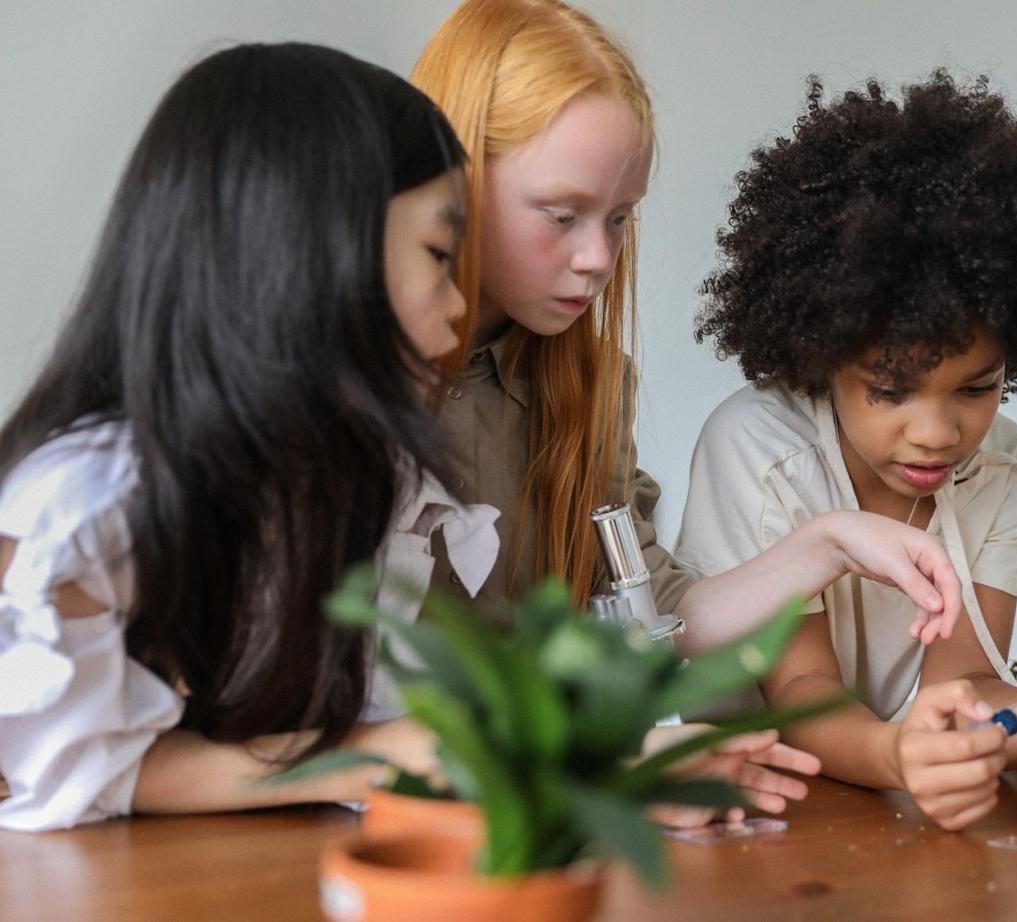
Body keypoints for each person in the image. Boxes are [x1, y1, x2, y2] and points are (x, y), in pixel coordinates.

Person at [0, 42, 804, 833]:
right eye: (437, 256)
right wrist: (380, 756)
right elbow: (76, 769)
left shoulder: (372, 481)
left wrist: (596, 773)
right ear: (310, 258)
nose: (459, 305)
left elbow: (411, 734)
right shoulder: (84, 508)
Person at [412, 0, 966, 659]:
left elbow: (651, 618)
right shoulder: (336, 376)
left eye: (620, 218)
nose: (598, 257)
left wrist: (831, 543)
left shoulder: (592, 382)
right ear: (460, 179)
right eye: (563, 215)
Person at [678, 73, 1017, 831]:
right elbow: (801, 687)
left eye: (978, 388)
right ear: (822, 352)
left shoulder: (1010, 471)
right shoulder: (759, 447)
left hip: (886, 807)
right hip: (750, 803)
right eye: (891, 388)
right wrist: (898, 755)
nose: (938, 433)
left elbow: (964, 680)